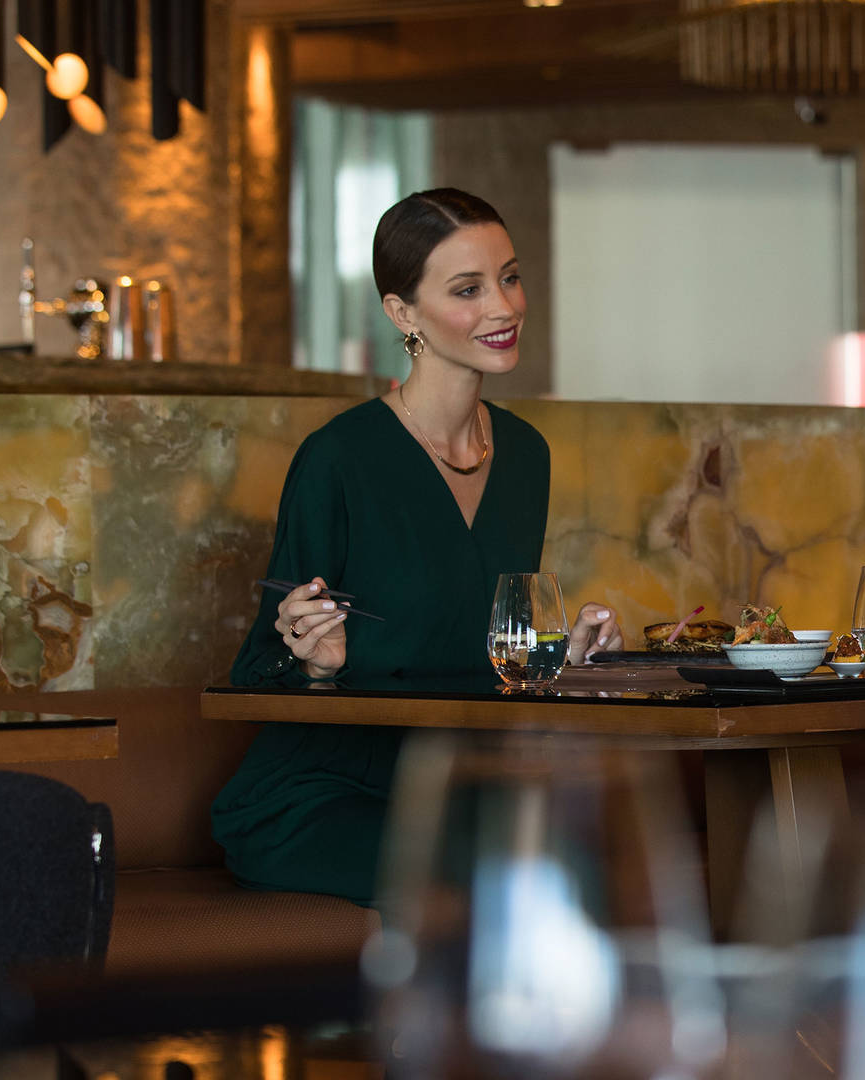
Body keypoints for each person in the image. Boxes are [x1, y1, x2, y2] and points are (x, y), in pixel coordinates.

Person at [212, 188, 623, 906]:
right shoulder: (338, 458)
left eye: (510, 277)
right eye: (468, 289)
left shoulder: (527, 455)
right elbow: (260, 667)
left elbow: (475, 643)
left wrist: (559, 658)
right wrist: (314, 665)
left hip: (452, 785)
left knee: (579, 861)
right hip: (319, 796)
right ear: (402, 313)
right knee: (499, 874)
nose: (504, 306)